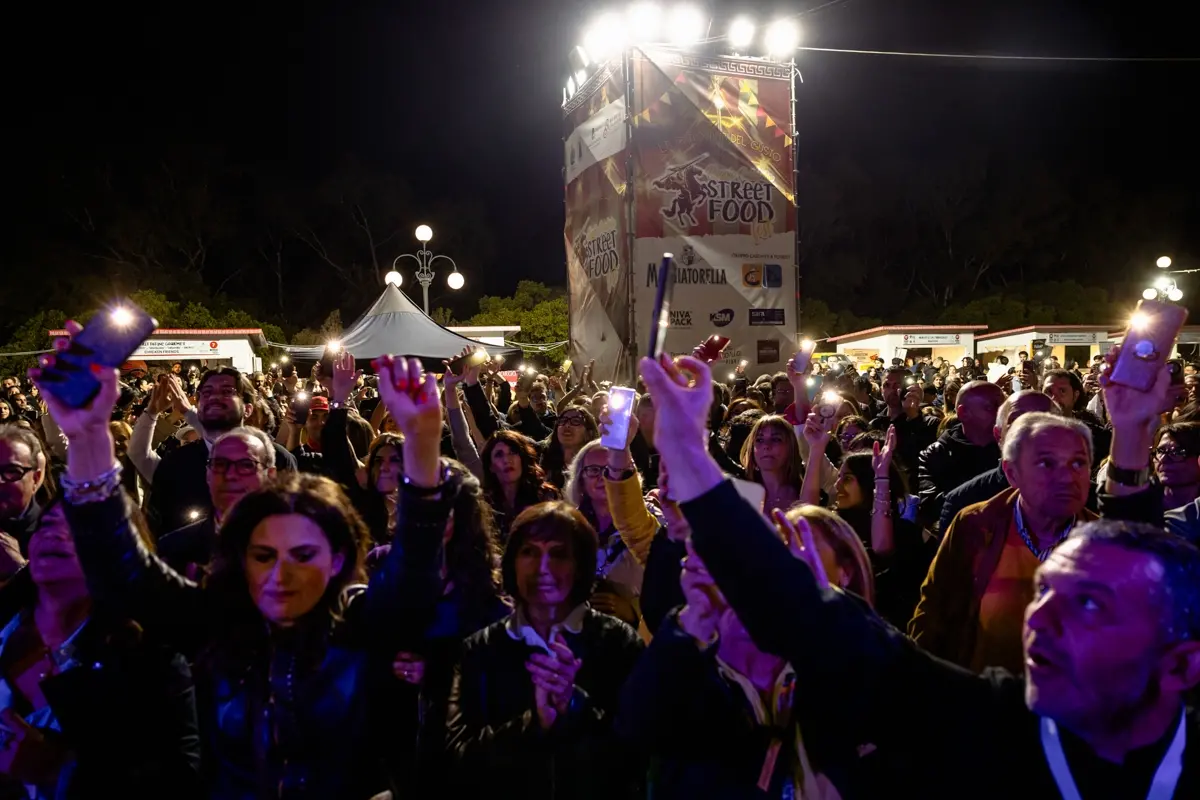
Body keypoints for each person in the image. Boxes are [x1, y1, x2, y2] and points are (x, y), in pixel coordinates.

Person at [639, 351, 1200, 799]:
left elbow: (1139, 572)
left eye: (1090, 606)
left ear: (1181, 663)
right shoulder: (995, 727)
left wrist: (1132, 435)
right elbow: (830, 630)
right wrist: (688, 455)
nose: (1040, 617)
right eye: (1045, 592)